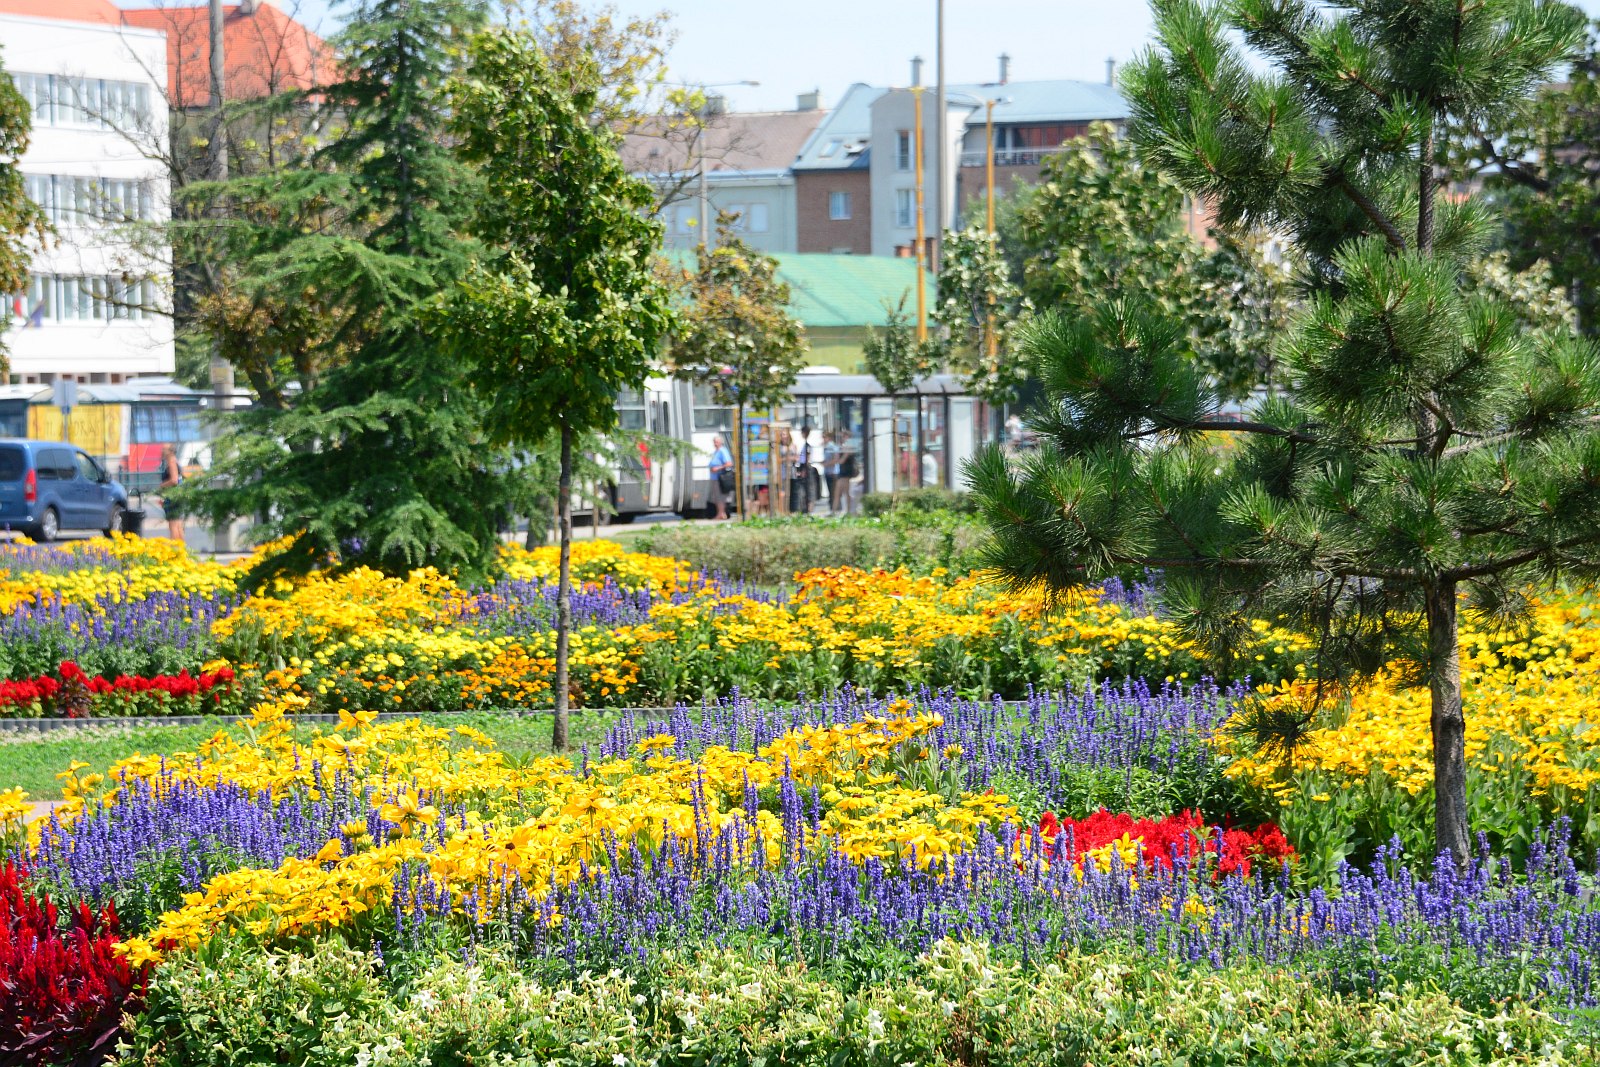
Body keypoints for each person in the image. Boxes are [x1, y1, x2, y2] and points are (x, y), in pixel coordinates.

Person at [157, 444, 184, 541]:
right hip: (176, 496)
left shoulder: (172, 462)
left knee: (173, 525)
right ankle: (182, 550)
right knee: (178, 524)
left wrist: (161, 485)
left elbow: (174, 480)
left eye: (164, 449)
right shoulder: (173, 461)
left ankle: (175, 550)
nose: (162, 451)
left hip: (173, 497)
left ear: (170, 451)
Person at [707, 434, 734, 520]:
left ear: (721, 442)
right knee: (716, 497)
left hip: (720, 478)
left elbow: (729, 463)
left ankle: (721, 514)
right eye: (714, 442)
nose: (715, 443)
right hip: (714, 478)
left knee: (720, 497)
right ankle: (721, 514)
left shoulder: (723, 451)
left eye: (717, 442)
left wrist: (718, 468)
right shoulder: (716, 451)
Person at [789, 421, 813, 515]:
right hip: (804, 467)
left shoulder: (807, 445)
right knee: (805, 489)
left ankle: (807, 509)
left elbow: (807, 458)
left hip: (805, 467)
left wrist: (804, 470)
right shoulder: (805, 444)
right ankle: (805, 508)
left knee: (807, 490)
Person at [835, 439, 859, 515]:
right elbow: (838, 461)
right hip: (842, 475)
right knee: (839, 493)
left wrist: (845, 453)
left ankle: (848, 510)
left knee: (846, 493)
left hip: (846, 476)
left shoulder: (849, 453)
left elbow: (841, 461)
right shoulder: (844, 451)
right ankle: (836, 510)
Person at [823, 431, 841, 513]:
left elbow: (835, 459)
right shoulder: (827, 447)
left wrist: (826, 464)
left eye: (824, 437)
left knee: (833, 492)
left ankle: (835, 508)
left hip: (832, 472)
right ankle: (833, 508)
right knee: (831, 492)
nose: (823, 439)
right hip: (828, 472)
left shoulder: (831, 447)